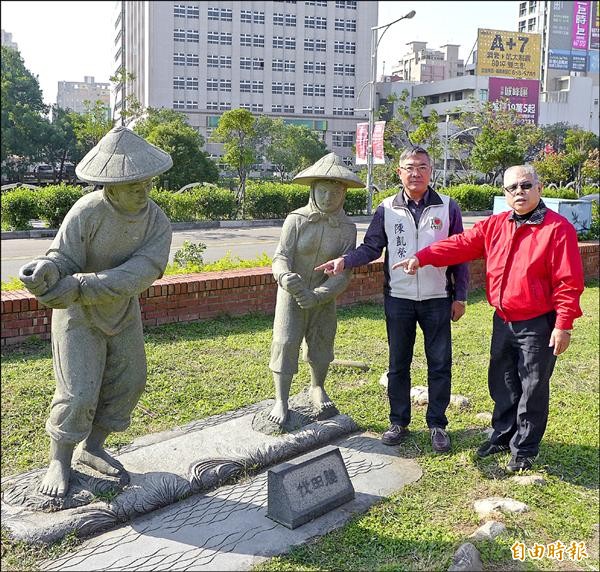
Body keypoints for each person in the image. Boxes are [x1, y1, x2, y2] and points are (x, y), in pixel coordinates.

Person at [394, 164, 584, 472]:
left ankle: (524, 448)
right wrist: (422, 256)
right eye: (512, 188)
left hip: (538, 322)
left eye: (525, 185)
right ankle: (501, 435)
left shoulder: (556, 228)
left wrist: (563, 325)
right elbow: (460, 245)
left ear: (539, 187)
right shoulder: (496, 225)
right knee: (503, 381)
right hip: (504, 318)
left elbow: (568, 283)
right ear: (505, 194)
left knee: (533, 386)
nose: (518, 192)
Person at [18, 126, 173, 497]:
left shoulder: (156, 220)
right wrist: (47, 270)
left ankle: (94, 446)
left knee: (128, 382)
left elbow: (144, 270)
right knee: (78, 392)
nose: (143, 191)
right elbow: (62, 256)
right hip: (78, 315)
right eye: (134, 185)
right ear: (111, 186)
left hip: (121, 310)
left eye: (147, 183)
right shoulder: (87, 211)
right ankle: (60, 458)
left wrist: (81, 285)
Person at [315, 146, 468, 453]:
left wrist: (460, 296)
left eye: (422, 167)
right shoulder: (387, 208)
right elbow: (372, 248)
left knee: (440, 364)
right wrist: (344, 260)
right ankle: (399, 422)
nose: (416, 173)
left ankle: (437, 424)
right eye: (410, 167)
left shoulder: (448, 207)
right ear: (399, 172)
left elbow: (460, 255)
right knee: (398, 363)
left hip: (438, 298)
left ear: (431, 171)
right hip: (398, 298)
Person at [267, 153, 361, 426]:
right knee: (285, 342)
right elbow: (280, 255)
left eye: (335, 192)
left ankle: (317, 386)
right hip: (291, 294)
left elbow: (344, 271)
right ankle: (281, 399)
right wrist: (285, 277)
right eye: (323, 191)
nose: (329, 197)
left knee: (322, 343)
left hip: (323, 296)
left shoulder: (347, 228)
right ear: (313, 190)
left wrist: (319, 295)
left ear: (343, 194)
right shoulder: (295, 220)